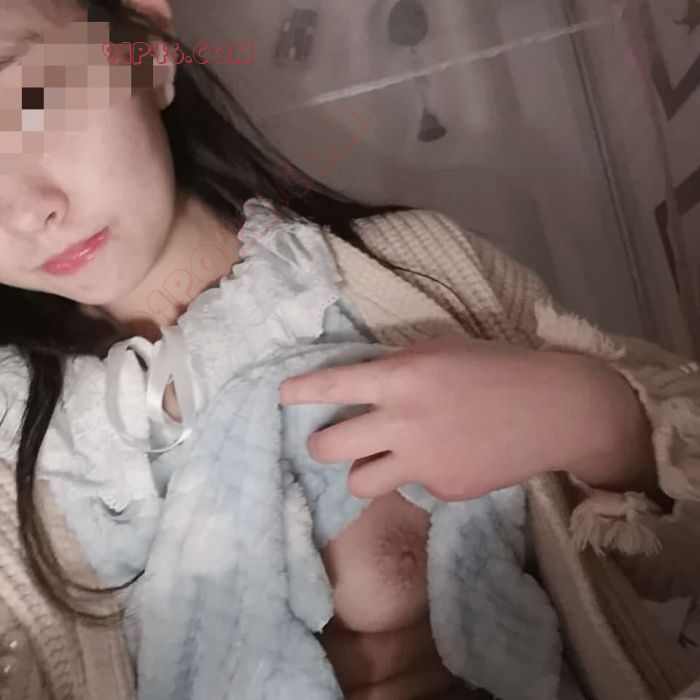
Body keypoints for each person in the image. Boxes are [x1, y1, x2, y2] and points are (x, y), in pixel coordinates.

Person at [0, 1, 698, 698]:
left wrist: (582, 413)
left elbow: (680, 552)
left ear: (146, 55)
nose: (28, 211)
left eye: (33, 99)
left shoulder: (425, 273)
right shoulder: (33, 465)